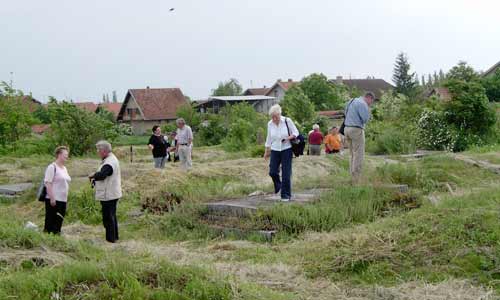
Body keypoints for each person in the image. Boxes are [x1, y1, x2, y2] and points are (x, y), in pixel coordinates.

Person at [264, 104, 299, 201]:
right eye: (272, 117)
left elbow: (296, 132)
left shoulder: (287, 121)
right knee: (272, 172)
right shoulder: (270, 124)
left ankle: (285, 195)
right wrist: (267, 151)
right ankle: (279, 186)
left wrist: (288, 138)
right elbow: (269, 138)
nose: (274, 119)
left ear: (280, 114)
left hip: (286, 149)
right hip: (275, 150)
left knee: (286, 174)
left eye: (276, 116)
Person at [89, 141, 122, 243]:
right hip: (111, 192)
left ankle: (110, 240)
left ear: (103, 151)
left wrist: (93, 175)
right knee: (112, 216)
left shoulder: (109, 162)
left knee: (108, 217)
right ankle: (114, 237)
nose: (97, 152)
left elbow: (103, 175)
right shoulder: (109, 159)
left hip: (109, 194)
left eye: (98, 150)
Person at [343, 91, 375, 184]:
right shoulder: (362, 103)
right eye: (371, 102)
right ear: (369, 98)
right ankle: (357, 178)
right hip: (356, 129)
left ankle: (351, 176)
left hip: (346, 129)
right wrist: (368, 111)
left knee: (352, 154)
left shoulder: (351, 101)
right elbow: (365, 119)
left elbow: (345, 113)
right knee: (359, 154)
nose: (370, 104)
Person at [43, 146, 71, 234]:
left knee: (59, 219)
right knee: (51, 219)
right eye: (65, 154)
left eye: (67, 155)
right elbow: (48, 183)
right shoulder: (52, 167)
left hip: (63, 199)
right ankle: (47, 235)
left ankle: (56, 236)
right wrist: (52, 198)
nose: (67, 156)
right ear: (59, 155)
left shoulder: (64, 168)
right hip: (54, 199)